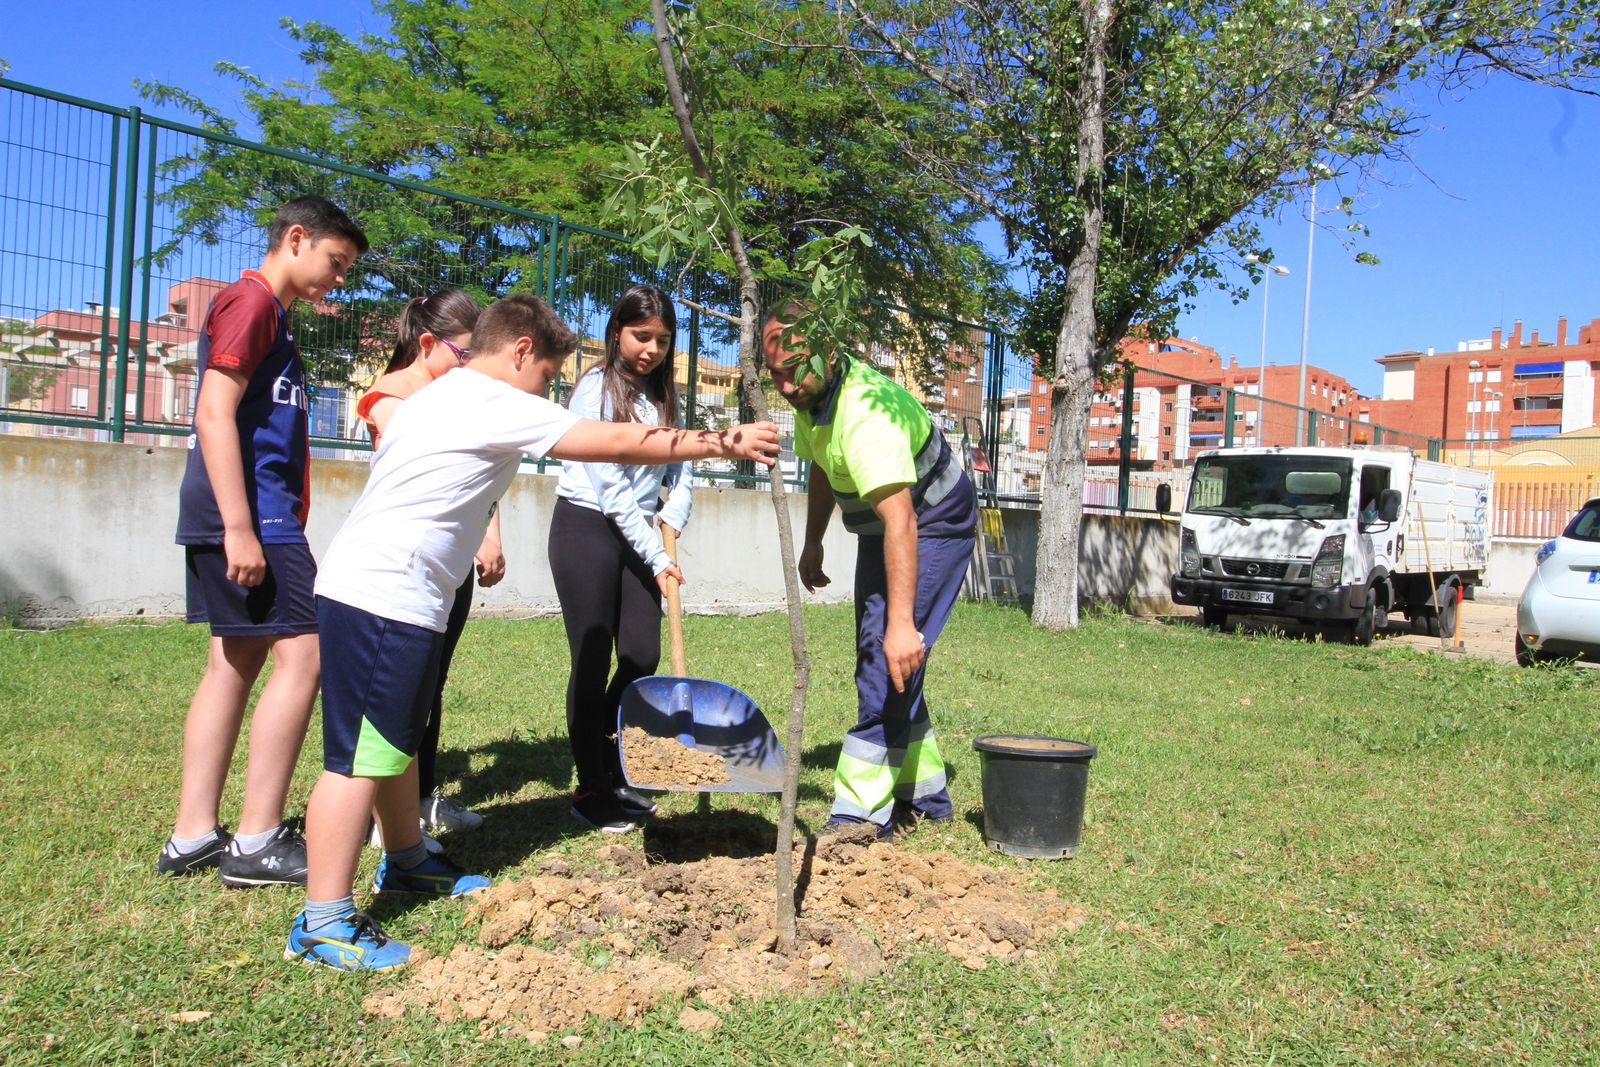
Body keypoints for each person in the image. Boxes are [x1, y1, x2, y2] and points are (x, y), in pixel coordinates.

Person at [286, 293, 779, 970]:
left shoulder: (442, 394)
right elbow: (613, 441)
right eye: (547, 375)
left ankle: (406, 860)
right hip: (385, 598)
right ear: (521, 351)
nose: (547, 391)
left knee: (394, 742)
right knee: (357, 761)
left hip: (393, 594)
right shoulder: (490, 398)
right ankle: (324, 920)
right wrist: (722, 440)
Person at [161, 196, 368, 886]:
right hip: (253, 518)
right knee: (306, 656)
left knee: (234, 660)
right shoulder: (250, 303)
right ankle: (256, 840)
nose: (338, 278)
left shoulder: (271, 315)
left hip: (253, 516)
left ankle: (193, 834)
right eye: (336, 261)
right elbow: (213, 412)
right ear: (296, 238)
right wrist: (240, 528)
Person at [762, 302, 977, 841]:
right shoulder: (813, 396)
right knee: (879, 656)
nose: (785, 386)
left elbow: (903, 520)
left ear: (829, 353)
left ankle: (857, 817)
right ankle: (925, 794)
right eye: (775, 374)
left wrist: (902, 625)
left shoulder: (864, 416)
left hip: (933, 522)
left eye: (793, 370)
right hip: (883, 528)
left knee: (888, 660)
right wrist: (813, 539)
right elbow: (819, 465)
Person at [550, 285, 692, 833]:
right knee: (592, 659)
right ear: (616, 332)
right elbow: (611, 491)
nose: (651, 349)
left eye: (663, 340)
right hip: (586, 527)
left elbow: (680, 462)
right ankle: (592, 786)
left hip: (639, 535)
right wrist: (656, 555)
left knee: (639, 653)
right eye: (641, 336)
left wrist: (677, 507)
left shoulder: (662, 395)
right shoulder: (595, 389)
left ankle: (612, 762)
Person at [356, 288, 495, 839]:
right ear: (428, 342)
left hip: (449, 558)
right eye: (464, 355)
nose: (470, 367)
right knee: (398, 688)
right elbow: (433, 468)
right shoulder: (393, 395)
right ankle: (381, 812)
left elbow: (480, 471)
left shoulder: (456, 397)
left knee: (430, 681)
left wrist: (490, 534)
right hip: (402, 565)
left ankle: (418, 799)